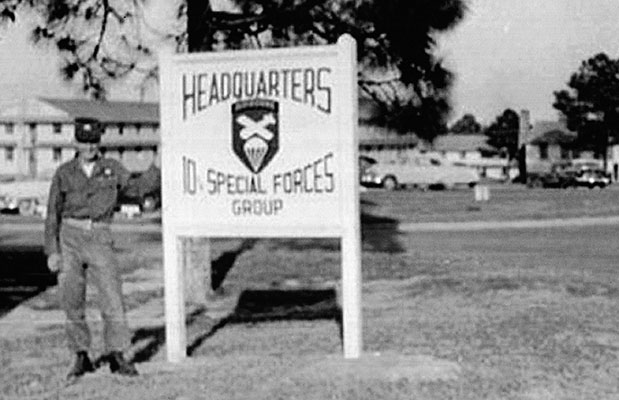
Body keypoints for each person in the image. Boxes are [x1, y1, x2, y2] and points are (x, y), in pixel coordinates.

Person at [44, 118, 160, 382]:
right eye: (84, 142)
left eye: (93, 142)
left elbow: (137, 188)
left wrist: (156, 167)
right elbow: (52, 213)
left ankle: (117, 354)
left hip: (100, 235)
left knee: (112, 297)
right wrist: (52, 250)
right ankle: (80, 355)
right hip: (69, 237)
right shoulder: (64, 172)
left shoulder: (112, 169)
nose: (89, 148)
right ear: (76, 143)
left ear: (99, 143)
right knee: (72, 299)